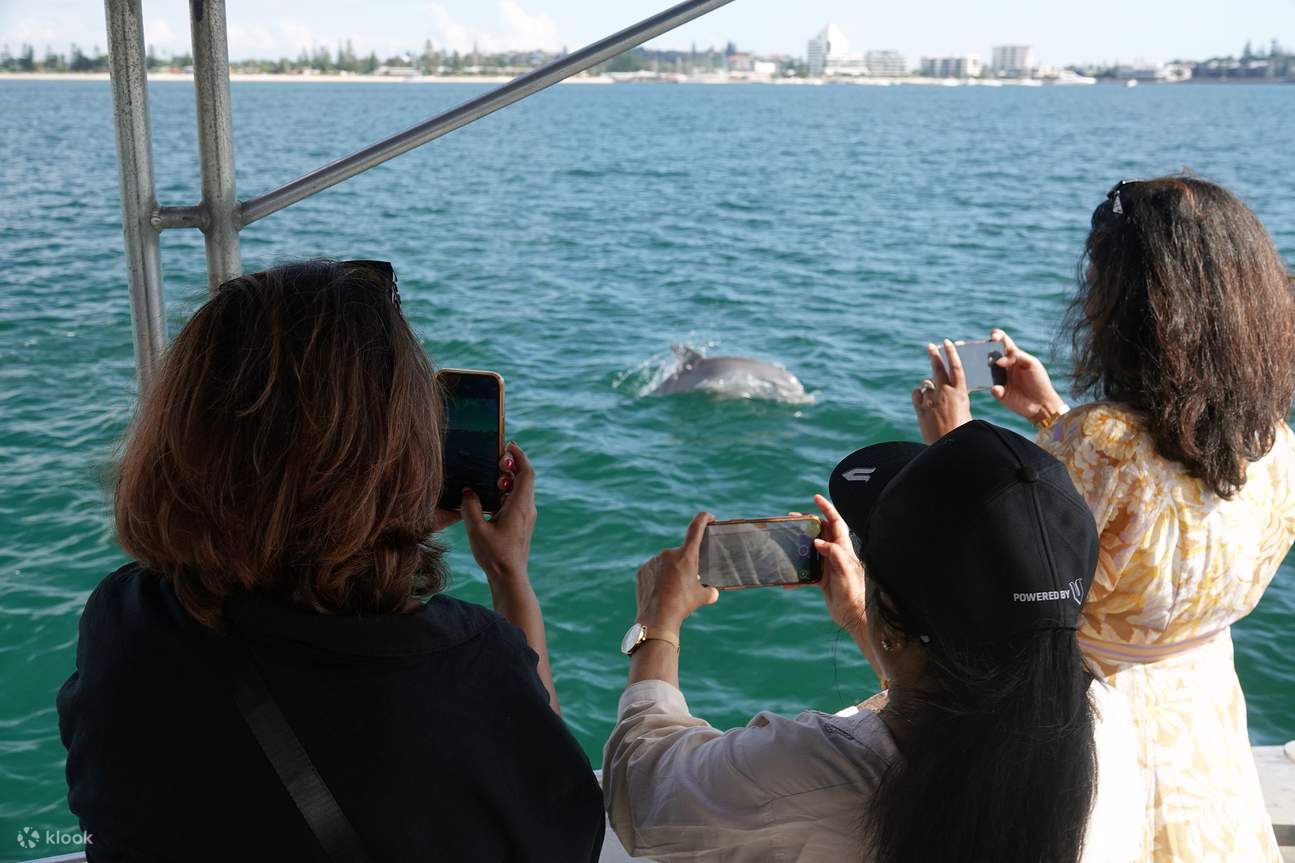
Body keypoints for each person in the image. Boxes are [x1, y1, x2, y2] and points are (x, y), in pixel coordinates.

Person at [57, 260, 604, 862]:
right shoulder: (467, 668)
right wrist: (507, 573)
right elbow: (560, 828)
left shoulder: (123, 618)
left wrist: (365, 524)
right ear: (406, 451)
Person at [912, 176, 1295, 862]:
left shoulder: (1096, 444)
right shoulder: (1271, 443)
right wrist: (1044, 410)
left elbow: (986, 582)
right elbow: (1156, 502)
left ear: (1132, 303)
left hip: (1087, 739)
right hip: (1200, 723)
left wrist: (953, 444)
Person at [604, 420, 1144, 863]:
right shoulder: (1109, 722)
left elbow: (638, 794)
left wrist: (658, 624)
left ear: (897, 621)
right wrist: (870, 619)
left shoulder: (825, 769)